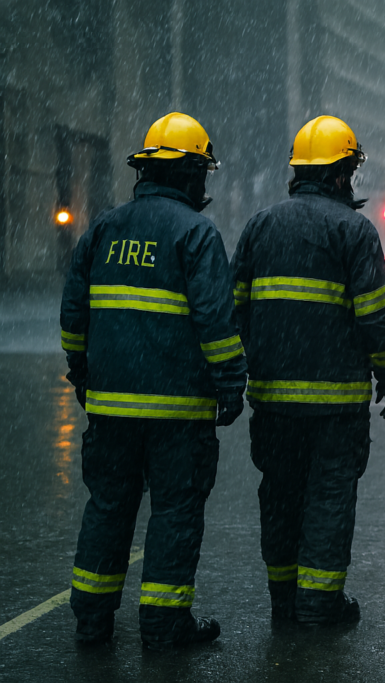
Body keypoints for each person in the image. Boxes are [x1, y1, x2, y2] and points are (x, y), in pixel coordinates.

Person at [60, 112, 247, 649]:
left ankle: (91, 621)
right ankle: (163, 625)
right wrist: (231, 383)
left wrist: (82, 371)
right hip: (177, 414)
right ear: (191, 176)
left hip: (111, 409)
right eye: (202, 175)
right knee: (175, 512)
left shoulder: (104, 228)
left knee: (108, 508)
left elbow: (75, 314)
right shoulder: (196, 233)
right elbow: (215, 321)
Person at [231, 116, 385, 626]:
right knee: (329, 500)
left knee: (280, 497)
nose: (351, 181)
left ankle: (284, 601)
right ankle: (319, 604)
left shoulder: (260, 225)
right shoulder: (353, 231)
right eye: (349, 171)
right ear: (339, 175)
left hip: (273, 403)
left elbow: (235, 308)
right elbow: (376, 315)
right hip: (335, 407)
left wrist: (255, 362)